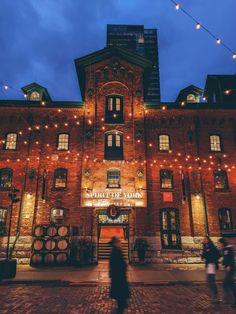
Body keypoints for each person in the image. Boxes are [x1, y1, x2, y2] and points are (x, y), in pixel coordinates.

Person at [109, 236, 130, 314]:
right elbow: (117, 265)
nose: (120, 243)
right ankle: (120, 308)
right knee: (121, 295)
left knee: (120, 296)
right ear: (115, 243)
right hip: (119, 278)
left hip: (119, 277)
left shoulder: (116, 251)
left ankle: (121, 306)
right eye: (119, 242)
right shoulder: (116, 252)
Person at [201, 236, 220, 303]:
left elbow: (218, 254)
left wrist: (214, 261)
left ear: (208, 240)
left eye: (205, 239)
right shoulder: (205, 247)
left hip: (212, 265)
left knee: (211, 281)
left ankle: (215, 296)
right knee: (210, 281)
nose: (203, 240)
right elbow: (204, 256)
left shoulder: (212, 247)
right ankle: (214, 296)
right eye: (203, 239)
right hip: (209, 265)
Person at [218, 238, 236, 308]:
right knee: (229, 284)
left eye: (219, 243)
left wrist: (229, 265)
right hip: (228, 268)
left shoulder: (229, 248)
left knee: (227, 283)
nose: (218, 244)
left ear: (222, 243)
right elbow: (225, 258)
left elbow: (231, 258)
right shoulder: (224, 249)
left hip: (231, 269)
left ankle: (230, 299)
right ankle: (229, 299)